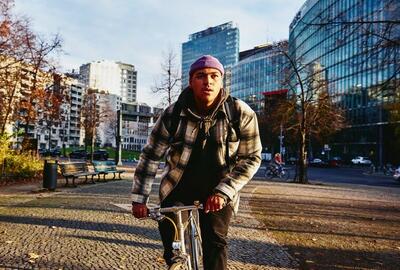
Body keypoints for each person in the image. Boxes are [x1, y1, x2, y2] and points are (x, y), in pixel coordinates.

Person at [131, 55, 262, 269]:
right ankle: (175, 260)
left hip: (219, 187)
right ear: (191, 82)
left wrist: (224, 192)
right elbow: (151, 155)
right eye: (201, 76)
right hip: (178, 184)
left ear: (221, 81)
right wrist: (139, 199)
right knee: (171, 239)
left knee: (215, 242)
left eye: (214, 76)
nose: (208, 81)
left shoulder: (240, 112)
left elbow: (252, 157)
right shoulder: (173, 114)